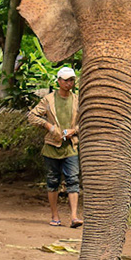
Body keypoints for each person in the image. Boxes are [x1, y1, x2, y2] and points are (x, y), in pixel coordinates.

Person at [28, 66, 82, 227]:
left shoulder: (78, 100)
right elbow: (32, 115)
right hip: (52, 147)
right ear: (59, 81)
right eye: (65, 80)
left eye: (71, 80)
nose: (69, 83)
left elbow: (86, 119)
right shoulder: (49, 100)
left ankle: (74, 216)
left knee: (73, 180)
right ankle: (55, 215)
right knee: (53, 181)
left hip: (71, 146)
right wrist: (49, 127)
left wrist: (74, 130)